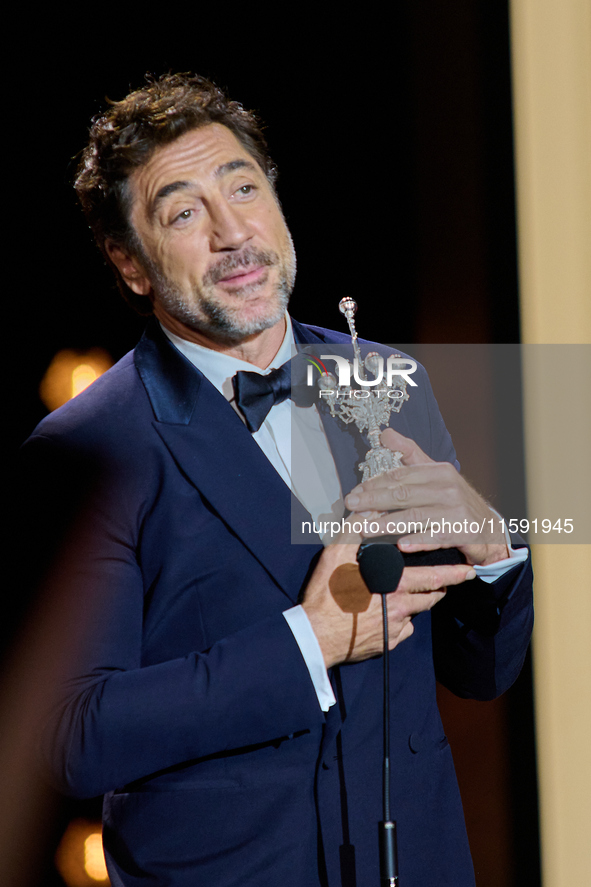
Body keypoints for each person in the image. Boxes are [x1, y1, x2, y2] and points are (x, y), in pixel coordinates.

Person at [22, 73, 533, 887]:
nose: (233, 233)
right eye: (184, 212)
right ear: (130, 262)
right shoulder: (87, 446)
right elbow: (70, 735)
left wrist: (497, 549)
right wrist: (309, 640)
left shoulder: (387, 374)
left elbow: (481, 671)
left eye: (244, 189)